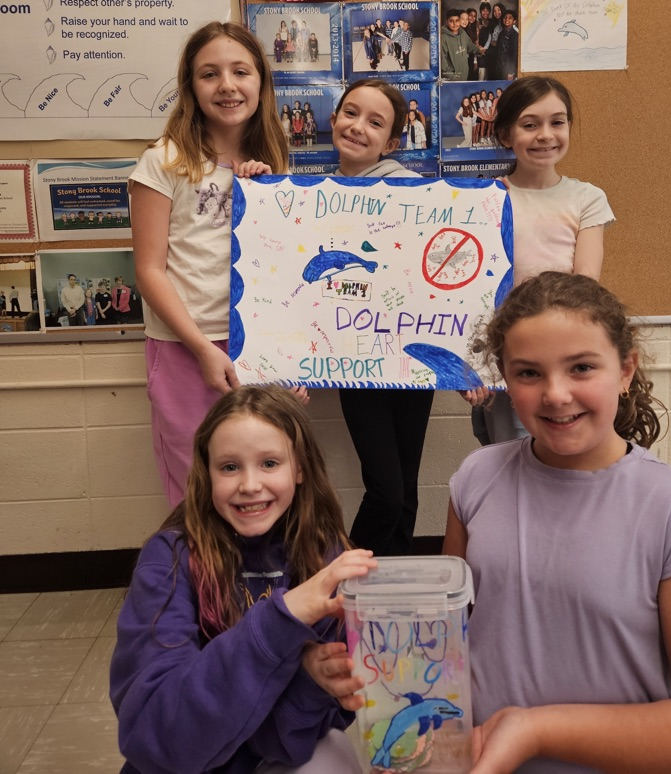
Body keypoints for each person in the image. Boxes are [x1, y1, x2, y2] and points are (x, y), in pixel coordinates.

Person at [443, 271, 671, 773]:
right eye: (528, 373)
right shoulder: (476, 480)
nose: (556, 394)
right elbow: (449, 637)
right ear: (504, 377)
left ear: (625, 370)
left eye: (581, 367)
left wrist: (533, 730)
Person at [110, 385, 377, 773]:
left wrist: (310, 682)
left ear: (299, 468)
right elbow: (158, 738)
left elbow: (298, 733)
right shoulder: (167, 560)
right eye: (230, 467)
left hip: (274, 750)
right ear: (207, 473)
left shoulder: (322, 556)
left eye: (270, 463)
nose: (250, 485)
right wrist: (280, 619)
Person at [128, 22, 303, 509]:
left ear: (261, 83)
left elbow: (287, 263)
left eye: (240, 71)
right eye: (210, 74)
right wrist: (203, 348)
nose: (227, 85)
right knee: (199, 482)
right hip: (188, 344)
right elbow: (149, 270)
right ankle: (206, 586)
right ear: (191, 87)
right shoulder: (164, 161)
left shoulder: (272, 160)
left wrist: (296, 357)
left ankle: (262, 586)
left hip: (257, 343)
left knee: (263, 481)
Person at [465, 76, 616, 444]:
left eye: (557, 122)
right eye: (530, 125)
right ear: (505, 135)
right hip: (503, 355)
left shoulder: (587, 198)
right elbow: (469, 288)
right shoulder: (485, 198)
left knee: (563, 450)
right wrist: (471, 369)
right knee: (511, 457)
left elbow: (586, 285)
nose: (545, 135)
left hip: (564, 352)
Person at [329, 79, 432, 557]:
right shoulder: (314, 194)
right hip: (358, 359)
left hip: (411, 355)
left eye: (375, 122)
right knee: (387, 491)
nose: (358, 127)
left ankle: (395, 591)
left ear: (392, 143)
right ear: (333, 120)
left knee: (404, 489)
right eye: (350, 113)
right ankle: (338, 584)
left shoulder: (412, 190)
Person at [441, 9, 485, 81]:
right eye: (451, 21)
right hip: (452, 80)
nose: (455, 24)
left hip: (464, 76)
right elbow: (443, 63)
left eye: (457, 20)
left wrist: (479, 51)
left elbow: (470, 46)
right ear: (447, 22)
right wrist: (453, 77)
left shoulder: (462, 33)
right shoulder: (443, 38)